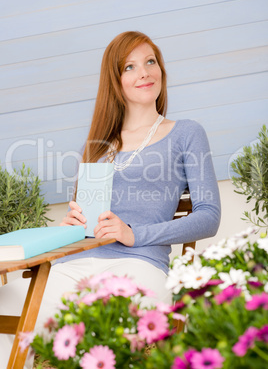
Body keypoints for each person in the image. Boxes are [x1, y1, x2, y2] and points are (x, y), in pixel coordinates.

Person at [0, 31, 221, 368]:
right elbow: (87, 223)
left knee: (102, 331)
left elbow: (209, 215)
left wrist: (134, 234)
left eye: (150, 62)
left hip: (140, 264)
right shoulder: (97, 144)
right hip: (75, 264)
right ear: (115, 82)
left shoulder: (187, 133)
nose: (144, 72)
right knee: (20, 317)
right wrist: (72, 226)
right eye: (130, 67)